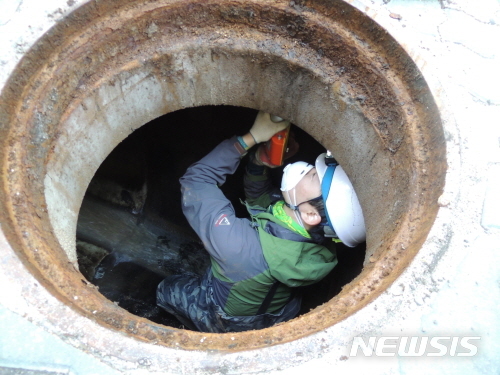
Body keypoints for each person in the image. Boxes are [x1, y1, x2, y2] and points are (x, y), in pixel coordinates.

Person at [157, 111, 362, 333]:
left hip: (226, 319)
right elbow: (262, 203)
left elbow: (197, 180)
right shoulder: (323, 234)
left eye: (313, 175)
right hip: (282, 314)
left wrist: (250, 138)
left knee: (166, 289)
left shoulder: (238, 246)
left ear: (311, 214)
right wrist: (258, 163)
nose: (309, 168)